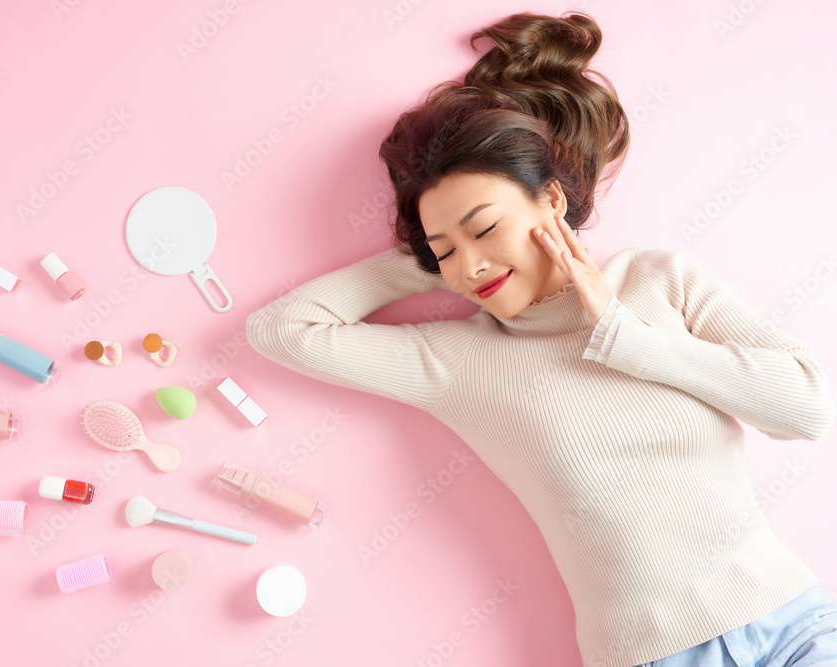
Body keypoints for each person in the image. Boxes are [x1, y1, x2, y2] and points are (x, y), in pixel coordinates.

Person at [244, 10, 837, 667]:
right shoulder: (458, 360)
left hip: (795, 622)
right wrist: (422, 253)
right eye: (445, 250)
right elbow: (279, 330)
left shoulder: (658, 279)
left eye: (484, 227)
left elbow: (806, 408)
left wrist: (627, 337)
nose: (468, 267)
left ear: (551, 202)